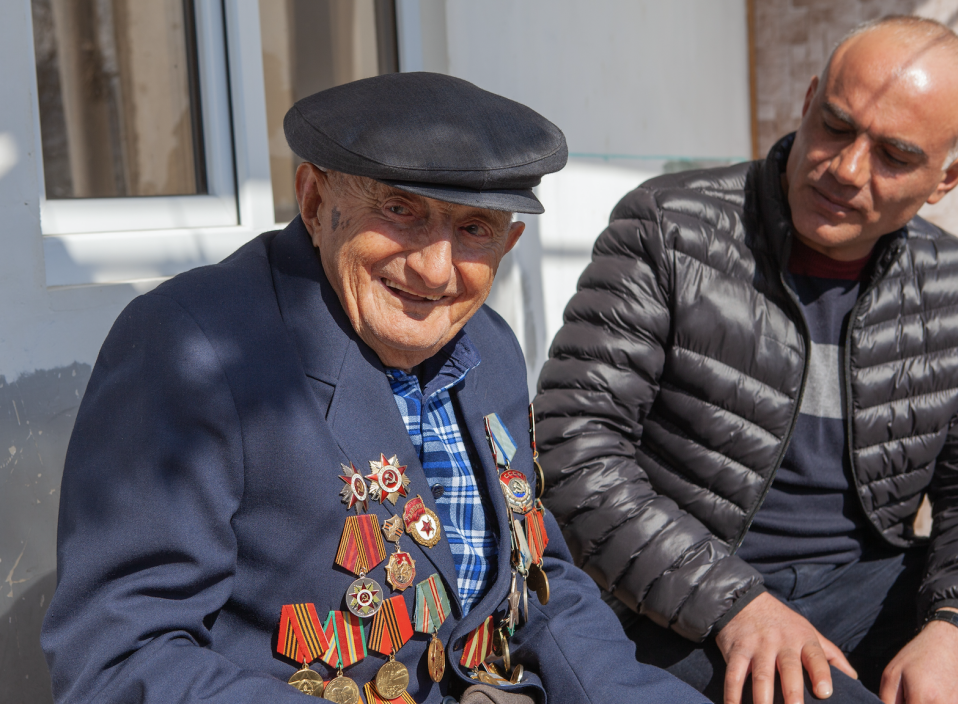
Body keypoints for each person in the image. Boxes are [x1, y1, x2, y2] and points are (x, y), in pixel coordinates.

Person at [40, 73, 708, 704]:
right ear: (313, 201)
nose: (435, 269)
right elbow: (119, 656)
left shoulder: (491, 347)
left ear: (510, 244)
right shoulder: (193, 344)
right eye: (401, 211)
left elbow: (537, 583)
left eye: (473, 228)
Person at [533, 15, 958, 704]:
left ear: (948, 177)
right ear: (809, 100)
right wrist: (737, 605)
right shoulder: (669, 228)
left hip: (872, 588)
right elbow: (572, 448)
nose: (845, 169)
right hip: (679, 599)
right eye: (836, 126)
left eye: (894, 155)